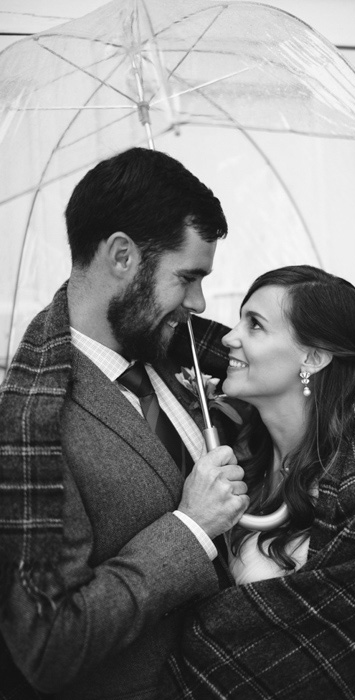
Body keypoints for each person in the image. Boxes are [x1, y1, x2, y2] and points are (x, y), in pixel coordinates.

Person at [0, 147, 249, 700]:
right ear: (121, 256)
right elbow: (48, 642)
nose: (199, 301)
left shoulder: (172, 353)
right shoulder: (26, 424)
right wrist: (190, 527)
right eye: (187, 277)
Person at [159, 265, 355, 700]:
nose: (232, 336)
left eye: (254, 325)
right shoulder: (238, 446)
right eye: (238, 320)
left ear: (312, 358)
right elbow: (189, 340)